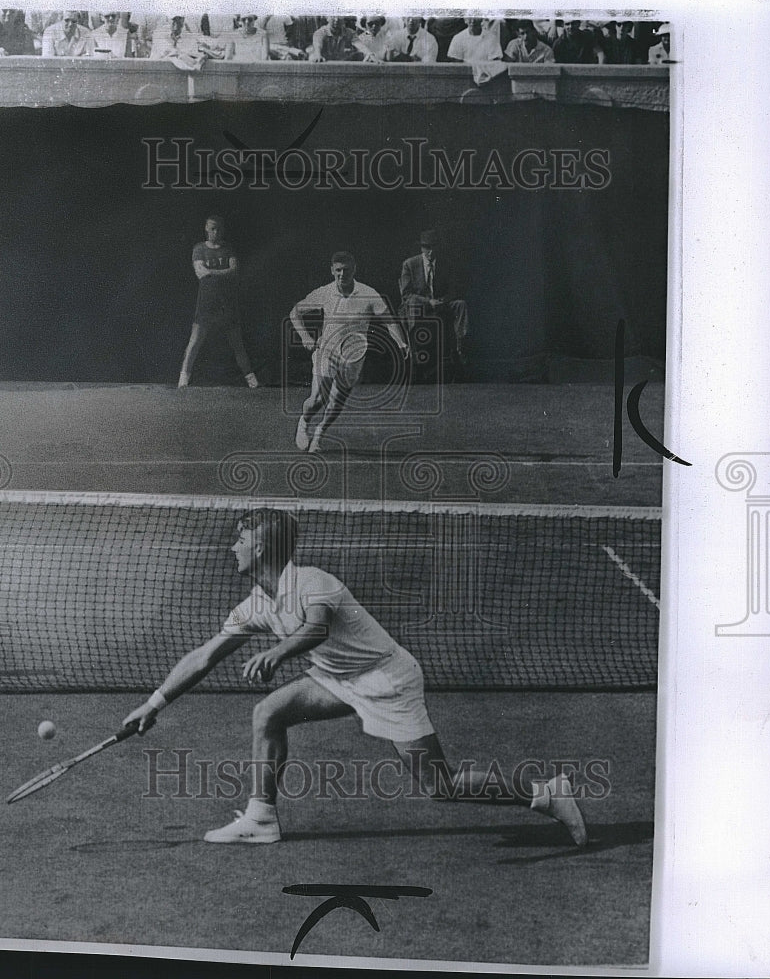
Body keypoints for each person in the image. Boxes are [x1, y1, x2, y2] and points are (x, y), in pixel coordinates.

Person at [123, 508, 589, 848]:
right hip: (337, 677)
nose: (232, 548)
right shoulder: (256, 604)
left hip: (388, 680)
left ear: (260, 546)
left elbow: (315, 628)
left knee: (439, 786)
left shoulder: (312, 581)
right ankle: (261, 818)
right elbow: (204, 656)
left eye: (239, 540)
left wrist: (277, 652)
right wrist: (154, 703)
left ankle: (547, 795)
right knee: (268, 713)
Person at [289, 251, 409, 453]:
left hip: (354, 356)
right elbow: (295, 312)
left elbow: (388, 320)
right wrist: (305, 337)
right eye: (338, 270)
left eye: (346, 270)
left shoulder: (369, 294)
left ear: (355, 270)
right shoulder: (324, 292)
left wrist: (402, 342)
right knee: (318, 400)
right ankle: (304, 423)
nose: (341, 274)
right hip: (327, 352)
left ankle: (318, 435)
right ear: (331, 270)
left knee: (337, 402)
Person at [178, 216, 258, 390]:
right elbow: (201, 273)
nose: (216, 232)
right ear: (206, 229)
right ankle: (183, 379)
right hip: (206, 302)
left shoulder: (228, 249)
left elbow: (234, 271)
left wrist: (213, 272)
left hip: (226, 302)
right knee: (195, 340)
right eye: (212, 228)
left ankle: (252, 380)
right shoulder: (199, 249)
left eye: (219, 229)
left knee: (237, 342)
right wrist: (223, 272)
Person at [399, 230, 469, 380]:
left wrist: (442, 301)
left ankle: (459, 348)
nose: (430, 252)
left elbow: (454, 289)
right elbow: (406, 295)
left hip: (440, 303)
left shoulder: (446, 264)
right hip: (418, 304)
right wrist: (428, 301)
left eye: (433, 247)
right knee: (412, 304)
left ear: (438, 248)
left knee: (460, 305)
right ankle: (414, 352)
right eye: (426, 247)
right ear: (421, 248)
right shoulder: (410, 264)